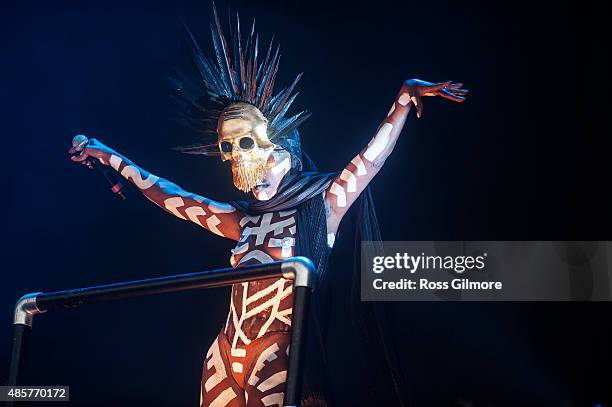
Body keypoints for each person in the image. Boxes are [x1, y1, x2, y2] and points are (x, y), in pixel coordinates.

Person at [69, 5, 468, 407]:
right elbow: (170, 195)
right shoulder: (241, 220)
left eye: (257, 154)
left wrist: (402, 100)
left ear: (287, 154)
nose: (248, 169)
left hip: (276, 349)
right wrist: (107, 155)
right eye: (232, 154)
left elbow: (370, 160)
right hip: (226, 350)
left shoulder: (321, 204)